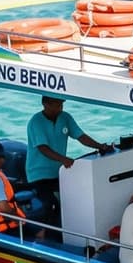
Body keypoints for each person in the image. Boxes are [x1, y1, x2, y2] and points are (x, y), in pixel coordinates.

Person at [25, 95, 114, 231]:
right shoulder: (36, 122)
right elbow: (43, 148)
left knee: (75, 199)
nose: (60, 107)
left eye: (61, 104)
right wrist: (63, 159)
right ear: (45, 104)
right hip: (38, 173)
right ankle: (42, 233)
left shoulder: (65, 117)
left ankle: (68, 231)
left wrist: (100, 146)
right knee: (50, 203)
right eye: (56, 104)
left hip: (59, 172)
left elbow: (81, 136)